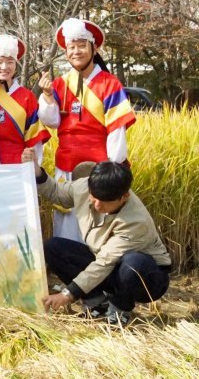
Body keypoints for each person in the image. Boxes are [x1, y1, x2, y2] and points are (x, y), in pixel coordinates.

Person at [27, 151, 171, 326]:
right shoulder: (84, 188)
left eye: (103, 202)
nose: (96, 205)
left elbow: (105, 263)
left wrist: (67, 294)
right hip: (108, 266)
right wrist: (36, 171)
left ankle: (120, 311)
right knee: (53, 247)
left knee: (133, 263)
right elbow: (56, 192)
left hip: (146, 280)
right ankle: (98, 305)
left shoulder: (135, 221)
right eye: (93, 199)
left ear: (124, 197)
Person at [38, 18, 137, 241]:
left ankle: (97, 268)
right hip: (66, 162)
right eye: (71, 47)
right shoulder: (60, 83)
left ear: (94, 48)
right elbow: (51, 121)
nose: (76, 51)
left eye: (81, 45)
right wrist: (46, 96)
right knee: (67, 219)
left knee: (98, 220)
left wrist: (114, 165)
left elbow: (116, 129)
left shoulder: (109, 83)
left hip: (99, 165)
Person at [0, 34, 48, 166]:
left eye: (10, 62)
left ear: (16, 65)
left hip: (17, 162)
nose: (4, 67)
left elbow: (34, 138)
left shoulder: (27, 97)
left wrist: (33, 167)